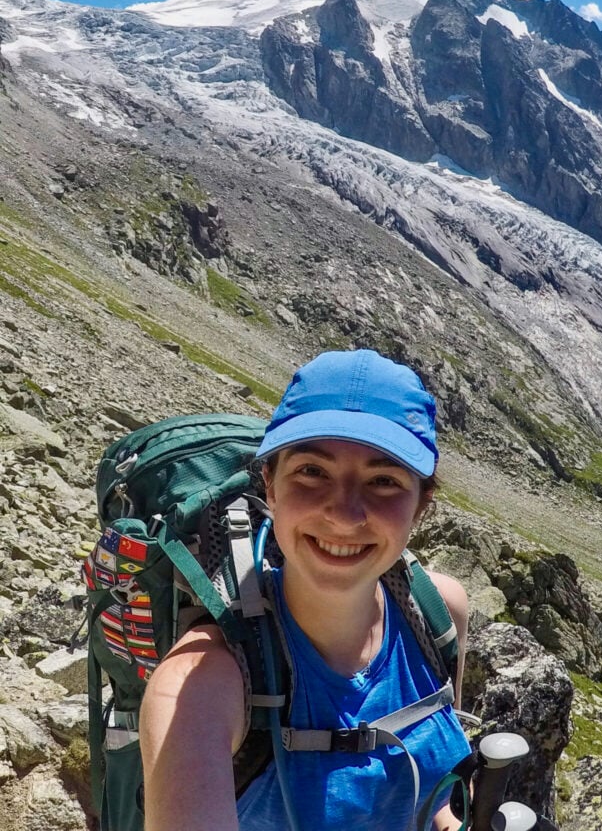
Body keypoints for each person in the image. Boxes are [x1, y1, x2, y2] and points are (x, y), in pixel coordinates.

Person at [139, 348, 472, 831]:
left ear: (421, 507)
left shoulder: (438, 611)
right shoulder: (200, 687)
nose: (344, 513)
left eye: (384, 480)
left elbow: (439, 787)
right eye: (312, 472)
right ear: (269, 487)